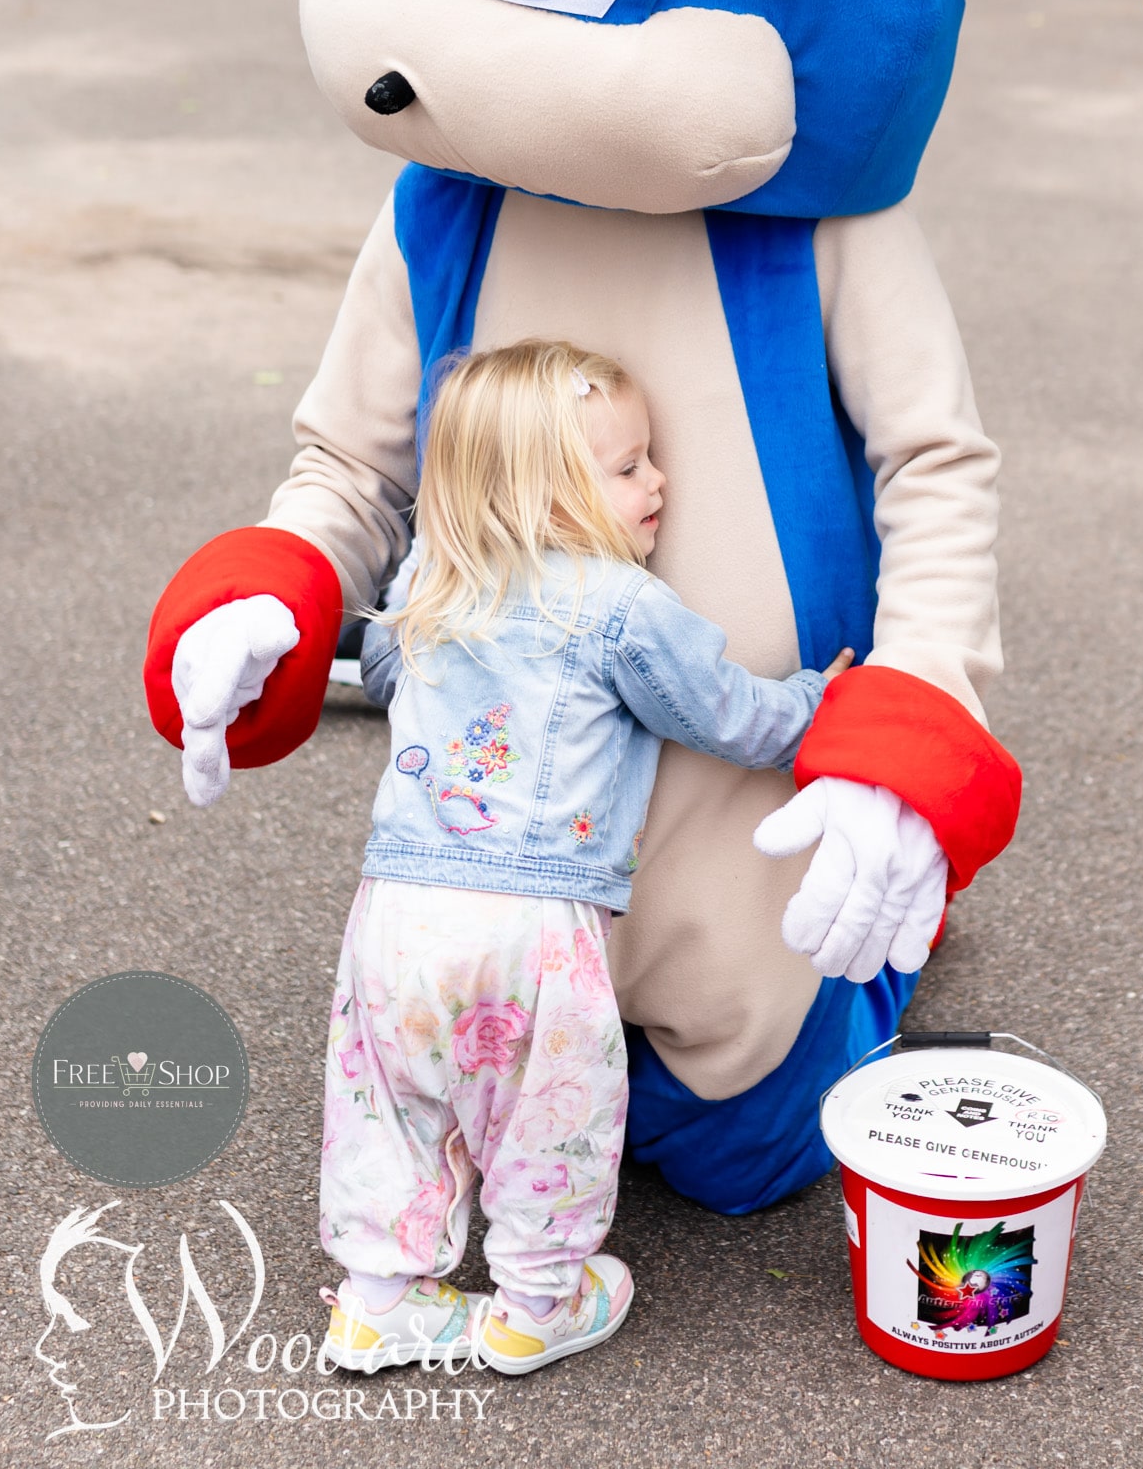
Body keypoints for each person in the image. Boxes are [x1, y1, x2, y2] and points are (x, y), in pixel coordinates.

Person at [315, 339, 854, 1376]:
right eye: (628, 466)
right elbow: (728, 716)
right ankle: (537, 1300)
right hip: (532, 924)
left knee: (388, 1101)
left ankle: (380, 1298)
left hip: (397, 914)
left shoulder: (431, 581)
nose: (660, 482)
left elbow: (383, 670)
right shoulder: (620, 607)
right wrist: (818, 701)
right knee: (552, 1109)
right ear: (548, 493)